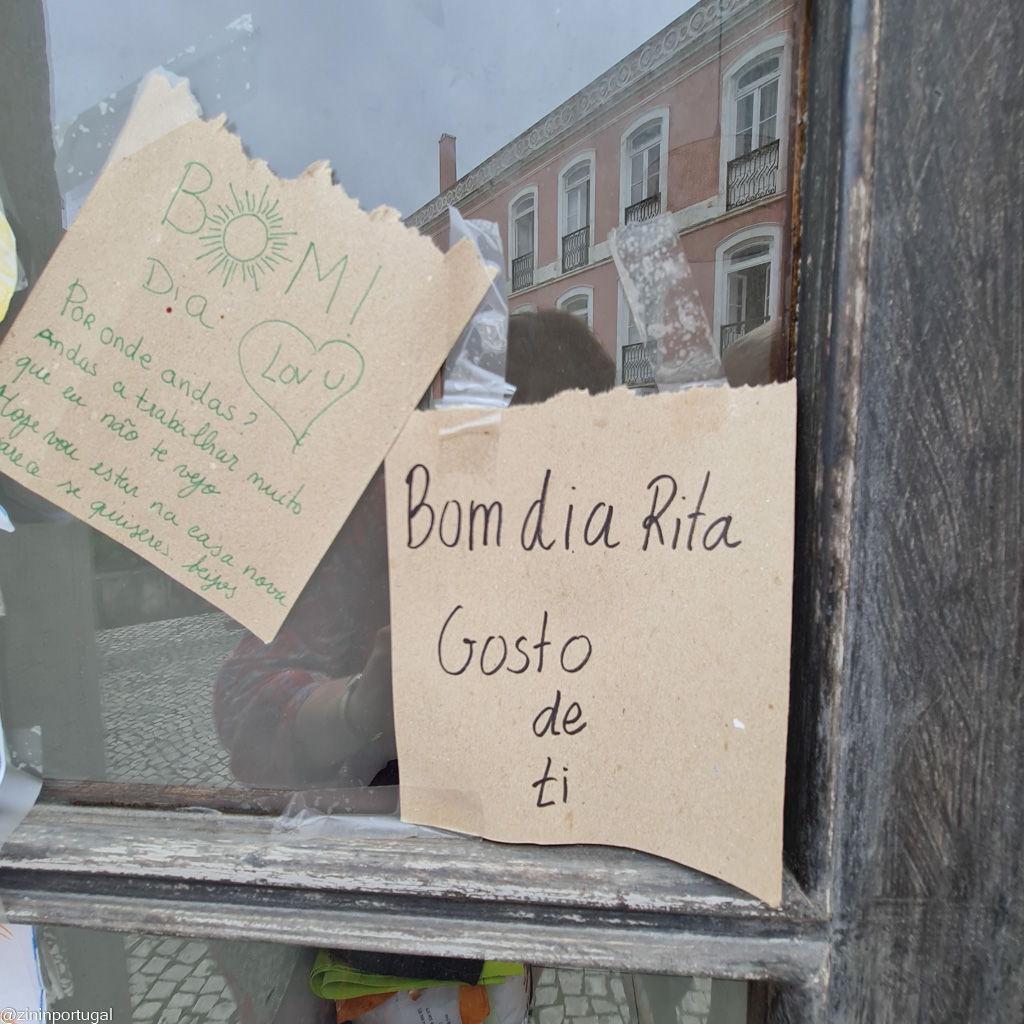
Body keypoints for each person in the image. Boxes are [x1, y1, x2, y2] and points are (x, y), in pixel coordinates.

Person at [214, 310, 616, 789]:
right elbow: (243, 698)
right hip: (400, 812)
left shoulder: (619, 532)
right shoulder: (391, 511)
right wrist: (362, 705)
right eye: (489, 419)